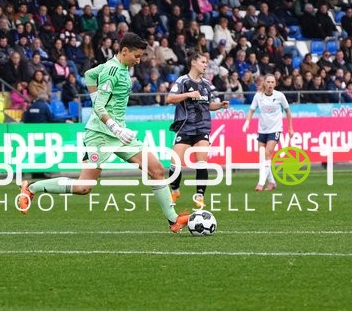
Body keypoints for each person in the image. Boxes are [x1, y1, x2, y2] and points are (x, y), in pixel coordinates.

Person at [17, 32, 192, 233]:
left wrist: (98, 101)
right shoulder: (111, 70)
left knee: (157, 170)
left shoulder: (118, 66)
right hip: (100, 135)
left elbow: (89, 75)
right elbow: (99, 108)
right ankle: (31, 187)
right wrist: (115, 126)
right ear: (124, 51)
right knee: (84, 187)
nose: (138, 60)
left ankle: (173, 220)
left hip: (119, 134)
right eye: (136, 55)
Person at [166, 51, 229, 208]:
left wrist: (219, 105)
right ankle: (175, 190)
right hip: (185, 127)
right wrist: (188, 94)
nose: (205, 65)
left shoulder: (207, 84)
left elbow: (208, 105)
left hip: (202, 127)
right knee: (175, 164)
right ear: (193, 62)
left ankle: (199, 196)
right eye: (203, 62)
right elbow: (169, 99)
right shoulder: (182, 81)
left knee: (201, 162)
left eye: (206, 62)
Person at [242, 74, 294, 191]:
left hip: (275, 129)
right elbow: (251, 110)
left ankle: (261, 183)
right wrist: (247, 122)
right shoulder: (258, 96)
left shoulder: (279, 96)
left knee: (267, 154)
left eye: (272, 82)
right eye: (268, 82)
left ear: (275, 84)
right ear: (264, 83)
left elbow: (287, 111)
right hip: (262, 130)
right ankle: (272, 182)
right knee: (263, 157)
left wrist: (290, 127)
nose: (270, 84)